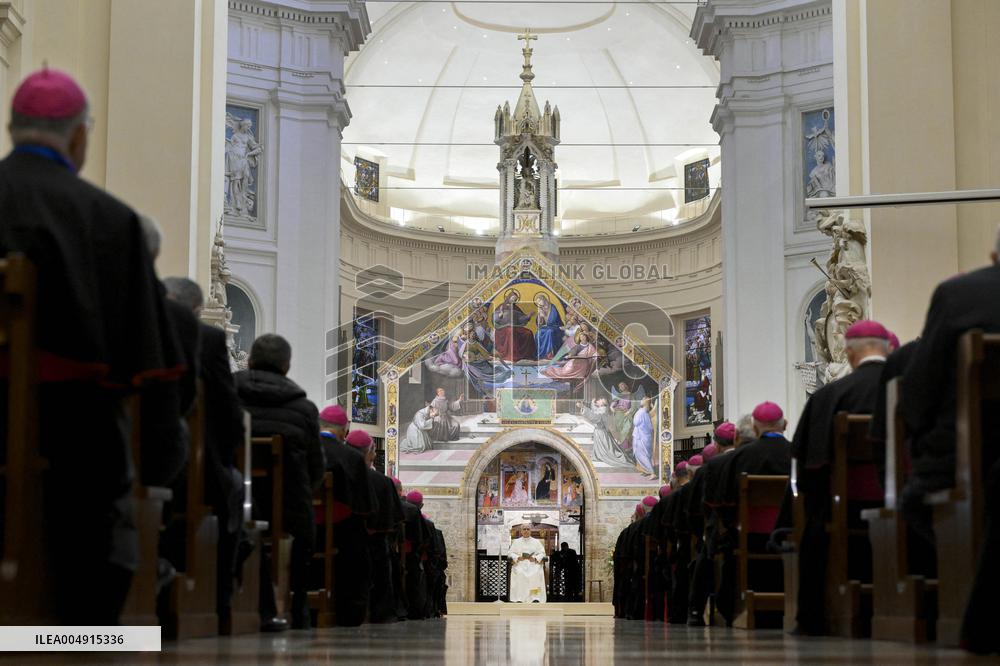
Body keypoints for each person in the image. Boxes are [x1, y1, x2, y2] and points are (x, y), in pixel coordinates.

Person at [0, 68, 184, 624]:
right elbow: (149, 376)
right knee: (101, 511)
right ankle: (79, 642)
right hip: (68, 441)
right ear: (80, 137)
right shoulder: (110, 222)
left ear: (12, 128)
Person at [902, 228, 1000, 654]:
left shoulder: (960, 295)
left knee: (917, 502)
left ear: (993, 252)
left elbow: (922, 388)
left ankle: (966, 595)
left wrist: (920, 437)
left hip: (976, 449)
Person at [791, 320, 890, 635]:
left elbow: (807, 465)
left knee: (813, 526)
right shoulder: (912, 386)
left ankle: (812, 618)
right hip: (906, 500)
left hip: (847, 506)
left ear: (848, 353)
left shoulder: (828, 396)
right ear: (887, 349)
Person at [163, 277, 247, 623]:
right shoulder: (205, 338)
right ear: (197, 310)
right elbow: (228, 411)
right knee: (232, 490)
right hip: (179, 459)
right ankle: (221, 599)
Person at [235, 334, 325, 630]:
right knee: (304, 528)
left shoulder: (228, 393)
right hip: (289, 504)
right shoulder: (304, 408)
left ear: (249, 361)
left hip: (235, 497)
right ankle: (298, 600)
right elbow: (316, 469)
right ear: (287, 366)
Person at [316, 405, 374, 627]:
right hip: (341, 531)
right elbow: (365, 506)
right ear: (343, 431)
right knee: (359, 550)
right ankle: (350, 614)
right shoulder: (351, 456)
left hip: (305, 525)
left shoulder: (304, 448)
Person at [689, 422, 738, 625]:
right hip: (764, 532)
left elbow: (700, 507)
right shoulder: (745, 458)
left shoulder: (712, 467)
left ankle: (695, 612)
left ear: (716, 445)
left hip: (722, 533)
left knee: (704, 560)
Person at [508, 523, 547, 603]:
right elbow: (510, 553)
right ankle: (519, 598)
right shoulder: (516, 542)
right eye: (524, 529)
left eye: (528, 529)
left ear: (530, 531)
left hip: (533, 564)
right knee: (519, 573)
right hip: (520, 563)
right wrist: (518, 557)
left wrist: (535, 558)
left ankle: (535, 597)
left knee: (535, 573)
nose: (526, 531)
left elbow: (542, 553)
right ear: (521, 531)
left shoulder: (536, 542)